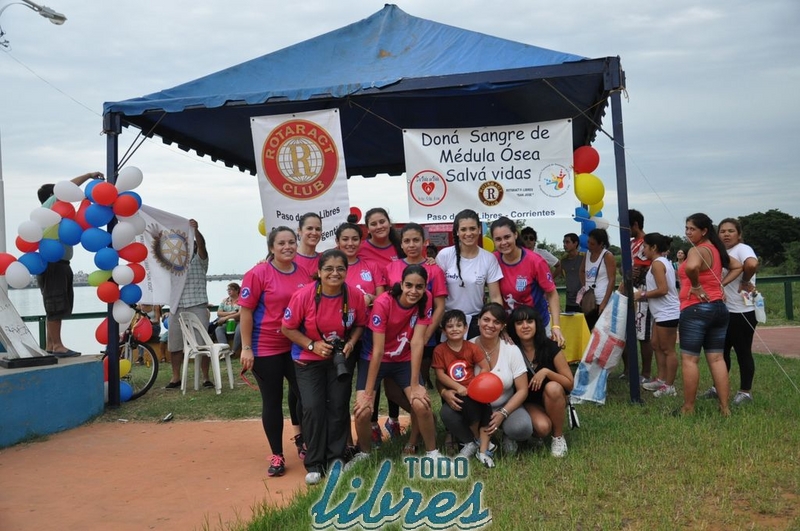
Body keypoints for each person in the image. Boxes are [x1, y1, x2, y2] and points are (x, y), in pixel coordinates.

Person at [282, 249, 367, 485]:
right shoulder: (304, 295)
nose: (334, 273)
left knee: (338, 406)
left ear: (346, 271)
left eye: (340, 269)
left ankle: (335, 459)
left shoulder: (354, 295)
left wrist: (351, 343)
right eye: (328, 269)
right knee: (312, 407)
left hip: (338, 359)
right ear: (319, 272)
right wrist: (312, 345)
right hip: (308, 359)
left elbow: (360, 324)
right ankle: (314, 463)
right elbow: (287, 327)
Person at [239, 227, 310, 477]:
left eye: (291, 242)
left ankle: (304, 441)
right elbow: (245, 312)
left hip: (295, 346)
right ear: (271, 247)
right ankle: (277, 455)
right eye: (281, 243)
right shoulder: (258, 273)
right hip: (265, 347)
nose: (287, 247)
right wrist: (246, 347)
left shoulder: (303, 272)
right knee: (272, 400)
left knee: (305, 396)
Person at [351, 264, 439, 464]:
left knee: (421, 404)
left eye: (419, 286)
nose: (413, 291)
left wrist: (415, 385)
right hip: (374, 358)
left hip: (403, 359)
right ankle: (364, 453)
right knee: (363, 411)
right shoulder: (384, 302)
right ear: (401, 283)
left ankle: (433, 453)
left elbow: (417, 342)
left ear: (425, 287)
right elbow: (378, 350)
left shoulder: (426, 299)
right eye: (409, 285)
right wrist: (368, 395)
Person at [440, 303, 530, 455]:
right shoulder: (464, 346)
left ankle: (507, 433)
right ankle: (472, 441)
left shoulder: (511, 350)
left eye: (496, 322)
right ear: (478, 321)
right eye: (486, 320)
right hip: (474, 407)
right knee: (447, 413)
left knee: (522, 428)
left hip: (505, 404)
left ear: (503, 326)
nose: (490, 325)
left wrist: (503, 413)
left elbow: (522, 390)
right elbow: (442, 376)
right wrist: (444, 392)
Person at [676, 213, 742, 417]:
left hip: (696, 308)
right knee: (717, 359)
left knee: (690, 359)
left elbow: (692, 267)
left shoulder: (697, 250)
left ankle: (688, 408)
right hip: (719, 308)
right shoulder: (717, 249)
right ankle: (725, 407)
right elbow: (737, 266)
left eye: (692, 229)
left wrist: (696, 285)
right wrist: (720, 285)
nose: (688, 232)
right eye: (686, 228)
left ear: (704, 231)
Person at [36, 171, 104, 357]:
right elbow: (66, 188)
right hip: (55, 264)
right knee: (56, 304)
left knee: (54, 304)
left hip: (56, 263)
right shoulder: (50, 206)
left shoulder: (49, 215)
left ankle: (51, 345)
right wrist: (89, 175)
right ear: (53, 196)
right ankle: (58, 346)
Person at [334, 222, 387, 451]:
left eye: (354, 239)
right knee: (341, 389)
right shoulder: (334, 266)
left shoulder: (371, 266)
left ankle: (370, 429)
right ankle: (345, 440)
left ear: (361, 241)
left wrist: (369, 299)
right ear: (337, 242)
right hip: (341, 336)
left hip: (369, 334)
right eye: (345, 239)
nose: (350, 243)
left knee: (370, 385)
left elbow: (382, 298)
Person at [699, 218, 759, 406]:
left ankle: (745, 392)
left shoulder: (742, 249)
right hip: (722, 310)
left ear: (739, 234)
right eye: (722, 231)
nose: (726, 234)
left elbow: (751, 264)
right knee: (720, 353)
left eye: (731, 231)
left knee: (743, 352)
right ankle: (718, 387)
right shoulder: (720, 252)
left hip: (741, 311)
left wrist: (745, 281)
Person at [357, 207, 405, 441]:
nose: (379, 227)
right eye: (373, 223)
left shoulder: (399, 245)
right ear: (368, 228)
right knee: (373, 373)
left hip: (399, 318)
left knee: (393, 375)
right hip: (370, 318)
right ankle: (373, 424)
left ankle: (394, 420)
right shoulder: (361, 248)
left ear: (389, 222)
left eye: (382, 221)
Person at [508, 304, 574, 457]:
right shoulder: (511, 350)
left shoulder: (550, 346)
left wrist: (546, 372)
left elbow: (569, 383)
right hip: (526, 402)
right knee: (543, 428)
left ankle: (558, 437)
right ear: (513, 327)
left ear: (537, 324)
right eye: (519, 323)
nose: (525, 326)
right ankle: (527, 432)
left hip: (551, 398)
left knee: (553, 387)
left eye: (530, 321)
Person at [432, 309, 495, 468]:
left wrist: (476, 385)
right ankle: (476, 441)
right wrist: (457, 387)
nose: (455, 329)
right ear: (443, 330)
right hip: (457, 392)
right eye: (450, 326)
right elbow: (440, 375)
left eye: (459, 325)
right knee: (460, 408)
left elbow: (485, 367)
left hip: (473, 391)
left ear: (466, 328)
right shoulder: (440, 350)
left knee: (484, 409)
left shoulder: (471, 347)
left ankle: (479, 444)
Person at [489, 217, 565, 347]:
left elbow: (552, 294)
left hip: (537, 324)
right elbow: (495, 297)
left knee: (543, 358)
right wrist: (502, 327)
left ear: (515, 235)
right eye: (498, 239)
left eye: (507, 237)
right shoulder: (493, 260)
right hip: (510, 325)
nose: (503, 242)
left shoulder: (535, 261)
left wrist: (556, 326)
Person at [436, 209, 503, 339]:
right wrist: (439, 319)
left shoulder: (489, 258)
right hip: (448, 320)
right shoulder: (444, 255)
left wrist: (499, 324)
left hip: (475, 322)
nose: (468, 233)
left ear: (479, 229)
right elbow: (436, 292)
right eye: (463, 229)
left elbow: (495, 297)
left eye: (472, 228)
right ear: (457, 231)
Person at [166, 219, 214, 389]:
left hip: (197, 305)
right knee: (175, 344)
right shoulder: (173, 265)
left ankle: (206, 377)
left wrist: (196, 231)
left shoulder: (200, 261)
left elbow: (202, 246)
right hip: (177, 306)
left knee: (203, 344)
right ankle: (175, 378)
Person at [635, 233, 680, 398]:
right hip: (660, 313)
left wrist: (642, 294)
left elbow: (663, 290)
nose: (643, 250)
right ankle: (661, 379)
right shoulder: (660, 262)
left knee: (668, 349)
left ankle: (669, 386)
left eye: (645, 247)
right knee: (655, 344)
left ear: (654, 247)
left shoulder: (657, 264)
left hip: (667, 313)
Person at [622, 209, 654, 383]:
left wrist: (638, 271)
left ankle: (646, 373)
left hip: (642, 293)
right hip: (629, 291)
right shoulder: (630, 243)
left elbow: (647, 267)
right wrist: (627, 271)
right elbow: (625, 267)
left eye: (625, 225)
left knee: (643, 335)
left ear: (634, 224)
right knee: (627, 332)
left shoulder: (648, 242)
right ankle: (628, 370)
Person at [579, 228, 616, 331]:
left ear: (601, 244)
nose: (589, 246)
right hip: (590, 299)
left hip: (602, 298)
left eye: (592, 244)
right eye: (588, 242)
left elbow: (612, 279)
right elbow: (581, 271)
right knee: (589, 329)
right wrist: (585, 286)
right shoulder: (587, 254)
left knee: (601, 331)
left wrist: (604, 302)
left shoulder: (607, 256)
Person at [554, 233, 583, 312]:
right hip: (569, 300)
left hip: (583, 300)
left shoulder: (583, 257)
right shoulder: (563, 260)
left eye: (567, 242)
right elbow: (559, 275)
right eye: (564, 242)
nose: (564, 245)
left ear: (575, 243)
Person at [212, 283, 241, 354]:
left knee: (240, 329)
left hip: (238, 321)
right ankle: (225, 351)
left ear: (237, 290)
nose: (229, 291)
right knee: (218, 329)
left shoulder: (241, 300)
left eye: (231, 289)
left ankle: (233, 351)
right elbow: (219, 313)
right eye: (228, 290)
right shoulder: (225, 300)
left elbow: (239, 314)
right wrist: (230, 313)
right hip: (227, 323)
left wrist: (225, 317)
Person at [294, 213, 322, 280]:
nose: (314, 233)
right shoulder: (288, 258)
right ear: (299, 231)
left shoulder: (324, 259)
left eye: (318, 229)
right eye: (309, 228)